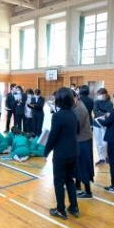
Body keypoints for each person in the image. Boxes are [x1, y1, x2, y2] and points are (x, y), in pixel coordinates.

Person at [43, 87, 79, 219]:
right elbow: (77, 131)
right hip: (73, 152)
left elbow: (53, 136)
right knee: (70, 180)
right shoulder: (73, 114)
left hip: (61, 154)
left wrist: (46, 151)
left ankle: (60, 209)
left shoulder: (58, 116)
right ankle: (74, 207)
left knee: (58, 182)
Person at [73, 89, 94, 199]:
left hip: (83, 141)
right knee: (78, 165)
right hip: (80, 140)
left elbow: (76, 128)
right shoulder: (76, 105)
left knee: (84, 165)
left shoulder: (80, 109)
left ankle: (88, 191)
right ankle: (77, 186)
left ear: (75, 97)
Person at [92, 87, 112, 164]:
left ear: (105, 95)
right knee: (98, 142)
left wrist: (101, 113)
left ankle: (107, 156)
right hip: (96, 124)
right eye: (98, 95)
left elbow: (109, 114)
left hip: (106, 124)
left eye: (101, 95)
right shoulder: (96, 102)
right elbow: (95, 112)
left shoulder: (109, 103)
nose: (99, 96)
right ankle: (101, 158)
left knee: (105, 142)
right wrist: (104, 114)